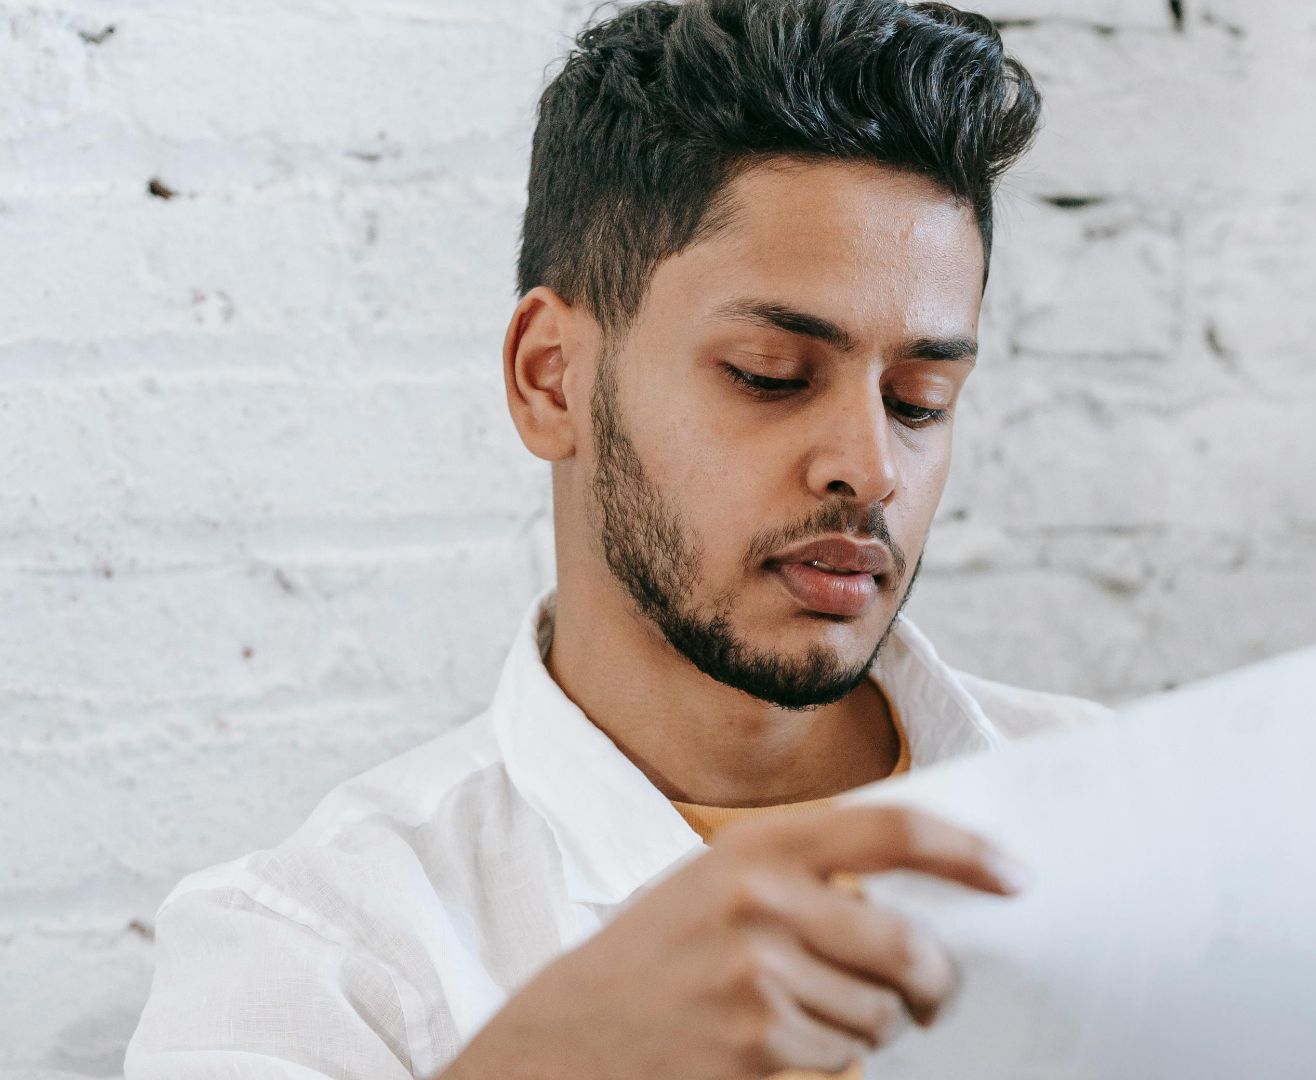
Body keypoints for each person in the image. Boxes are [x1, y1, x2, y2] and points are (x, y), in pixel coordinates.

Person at [122, 1, 1112, 1077]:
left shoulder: (1134, 812)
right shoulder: (314, 951)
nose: (870, 468)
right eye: (769, 376)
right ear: (553, 378)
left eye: (920, 399)